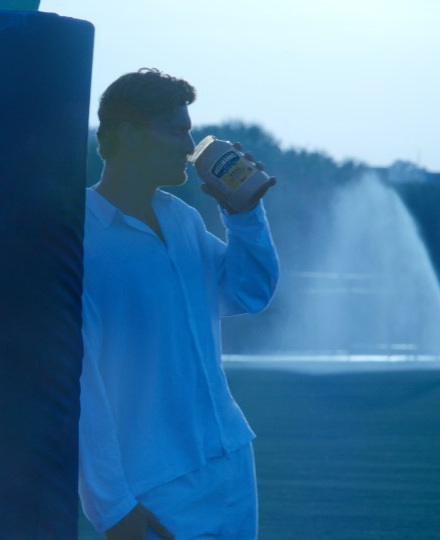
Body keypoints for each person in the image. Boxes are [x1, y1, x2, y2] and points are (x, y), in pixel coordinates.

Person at [79, 68, 279, 539]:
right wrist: (112, 508)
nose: (189, 147)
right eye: (175, 131)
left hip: (230, 459)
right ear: (130, 135)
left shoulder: (181, 218)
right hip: (156, 481)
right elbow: (81, 385)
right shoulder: (80, 239)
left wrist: (244, 211)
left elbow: (249, 291)